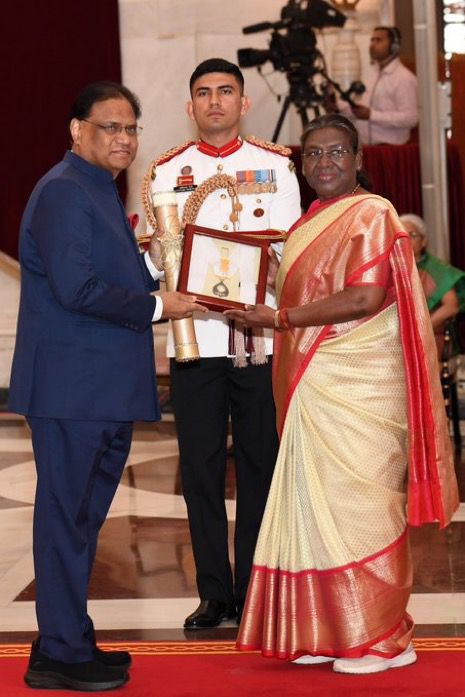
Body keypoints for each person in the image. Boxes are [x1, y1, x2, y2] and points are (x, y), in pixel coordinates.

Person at [225, 114, 458, 674]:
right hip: (315, 383)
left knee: (363, 508)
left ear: (357, 161)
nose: (324, 162)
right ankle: (329, 629)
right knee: (314, 507)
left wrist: (280, 317)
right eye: (313, 155)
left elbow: (365, 297)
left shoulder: (372, 211)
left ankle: (382, 637)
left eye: (336, 152)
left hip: (364, 385)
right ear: (302, 167)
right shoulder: (310, 222)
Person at [8, 81, 206, 692]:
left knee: (80, 519)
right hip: (74, 392)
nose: (124, 139)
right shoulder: (67, 192)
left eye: (131, 128)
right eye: (110, 127)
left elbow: (98, 274)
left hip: (93, 389)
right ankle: (61, 656)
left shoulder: (93, 189)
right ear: (77, 130)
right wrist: (156, 304)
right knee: (67, 519)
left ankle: (64, 639)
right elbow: (77, 291)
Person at [142, 58, 301, 629]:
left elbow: (290, 248)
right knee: (200, 470)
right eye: (204, 93)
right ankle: (213, 593)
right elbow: (155, 254)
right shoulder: (166, 171)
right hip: (196, 341)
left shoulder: (277, 166)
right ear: (190, 107)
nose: (214, 102)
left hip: (257, 340)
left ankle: (255, 588)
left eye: (225, 92)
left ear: (244, 102)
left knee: (260, 466)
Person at [338, 26, 418, 145]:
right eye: (372, 40)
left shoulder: (404, 78)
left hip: (391, 152)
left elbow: (411, 118)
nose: (373, 45)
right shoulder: (371, 74)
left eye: (378, 40)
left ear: (394, 47)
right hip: (367, 150)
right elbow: (362, 110)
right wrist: (338, 108)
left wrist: (372, 115)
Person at [400, 213, 465, 358]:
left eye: (413, 234)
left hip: (432, 336)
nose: (407, 240)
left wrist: (421, 330)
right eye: (402, 235)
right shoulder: (392, 268)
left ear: (423, 242)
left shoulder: (436, 269)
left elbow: (451, 306)